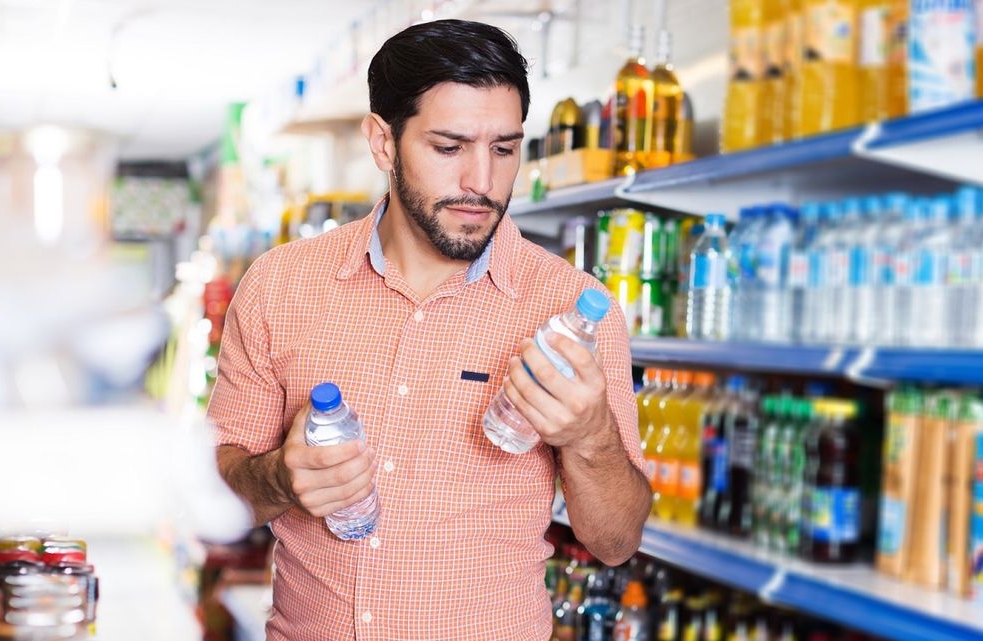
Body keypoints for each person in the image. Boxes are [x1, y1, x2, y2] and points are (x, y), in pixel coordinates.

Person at [209, 19, 651, 641]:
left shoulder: (573, 308)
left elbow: (615, 541)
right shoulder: (281, 286)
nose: (482, 182)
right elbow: (219, 494)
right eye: (449, 147)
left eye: (503, 149)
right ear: (383, 143)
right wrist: (281, 477)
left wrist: (591, 434)